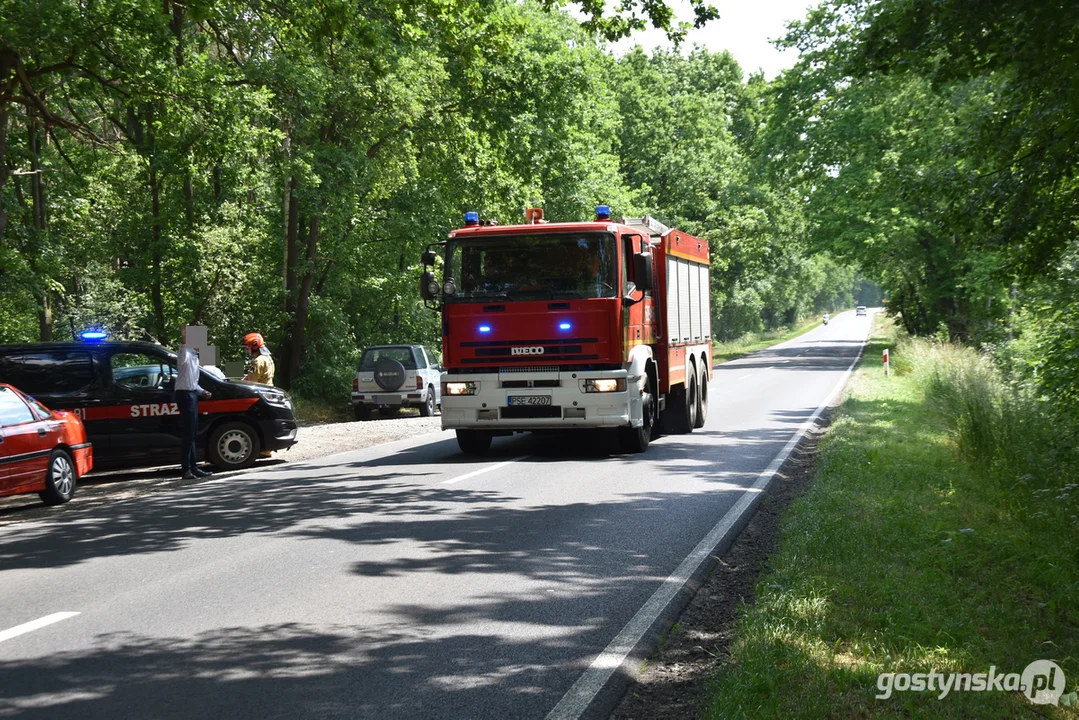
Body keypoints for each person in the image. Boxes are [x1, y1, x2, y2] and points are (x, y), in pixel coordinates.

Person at [176, 325, 212, 479]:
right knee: (189, 434)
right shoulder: (185, 354)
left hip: (191, 393)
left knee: (192, 433)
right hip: (185, 395)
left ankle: (193, 468)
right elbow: (183, 350)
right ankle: (186, 469)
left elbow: (191, 382)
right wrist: (185, 337)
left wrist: (201, 391)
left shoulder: (195, 356)